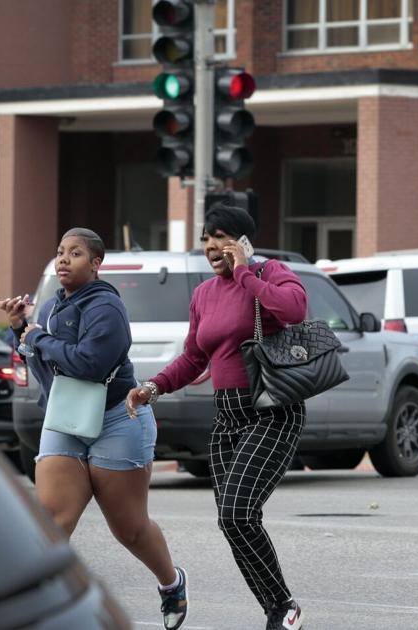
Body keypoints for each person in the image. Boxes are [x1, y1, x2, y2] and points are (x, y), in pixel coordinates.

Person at [0, 228, 189, 630]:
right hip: (66, 419)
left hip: (117, 419)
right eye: (61, 251)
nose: (64, 259)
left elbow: (89, 364)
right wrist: (19, 331)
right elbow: (44, 367)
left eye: (76, 253)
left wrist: (38, 337)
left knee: (129, 528)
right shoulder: (47, 309)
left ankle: (171, 582)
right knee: (53, 519)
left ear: (96, 264)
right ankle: (37, 608)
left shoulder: (106, 308)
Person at [126, 204, 309, 630]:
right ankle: (277, 613)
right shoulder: (204, 295)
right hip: (226, 415)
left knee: (236, 513)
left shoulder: (271, 273)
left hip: (271, 411)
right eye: (207, 237)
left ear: (243, 242)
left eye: (221, 236)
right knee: (235, 522)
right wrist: (153, 387)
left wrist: (246, 272)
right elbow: (193, 357)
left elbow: (294, 310)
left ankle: (283, 605)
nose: (211, 245)